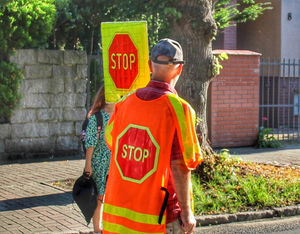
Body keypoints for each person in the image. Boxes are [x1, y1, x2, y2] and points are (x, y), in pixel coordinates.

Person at [103, 38, 203, 234]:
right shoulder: (178, 109)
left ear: (150, 65)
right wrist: (187, 212)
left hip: (120, 216)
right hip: (160, 216)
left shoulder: (124, 104)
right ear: (180, 69)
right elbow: (180, 165)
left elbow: (112, 142)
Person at [84, 86, 115, 234]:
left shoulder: (120, 114)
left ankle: (110, 228)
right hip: (99, 162)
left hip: (116, 163)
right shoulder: (98, 117)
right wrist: (88, 164)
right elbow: (90, 142)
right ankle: (97, 230)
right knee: (99, 198)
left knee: (112, 197)